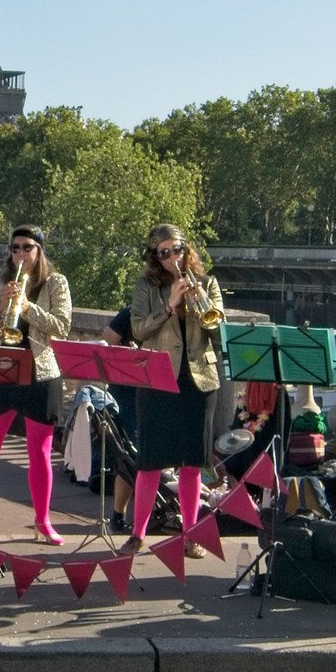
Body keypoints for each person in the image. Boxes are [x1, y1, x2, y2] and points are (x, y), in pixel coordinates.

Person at [0, 226, 74, 546]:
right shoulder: (2, 280)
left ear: (39, 250)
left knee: (39, 453)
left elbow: (63, 326)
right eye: (15, 248)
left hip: (41, 371)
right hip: (2, 368)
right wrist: (3, 306)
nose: (20, 254)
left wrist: (27, 306)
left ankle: (42, 522)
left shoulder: (56, 282)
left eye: (27, 248)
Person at [124, 225, 219, 552]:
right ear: (155, 257)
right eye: (163, 253)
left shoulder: (207, 283)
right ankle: (137, 533)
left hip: (198, 379)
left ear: (185, 249)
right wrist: (169, 306)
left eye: (176, 249)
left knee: (191, 463)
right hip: (158, 378)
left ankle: (189, 535)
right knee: (151, 460)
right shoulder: (146, 286)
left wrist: (198, 300)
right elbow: (137, 329)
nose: (171, 257)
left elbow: (218, 329)